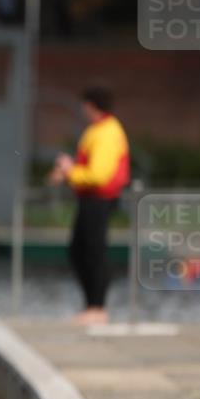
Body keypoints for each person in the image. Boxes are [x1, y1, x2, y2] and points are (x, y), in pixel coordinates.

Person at [48, 87, 130, 326]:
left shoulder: (107, 132)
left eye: (84, 104)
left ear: (91, 105)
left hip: (99, 199)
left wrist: (69, 171)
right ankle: (91, 306)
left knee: (94, 251)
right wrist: (69, 170)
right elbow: (88, 167)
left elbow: (99, 175)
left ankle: (97, 307)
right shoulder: (96, 130)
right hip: (89, 199)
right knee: (79, 250)